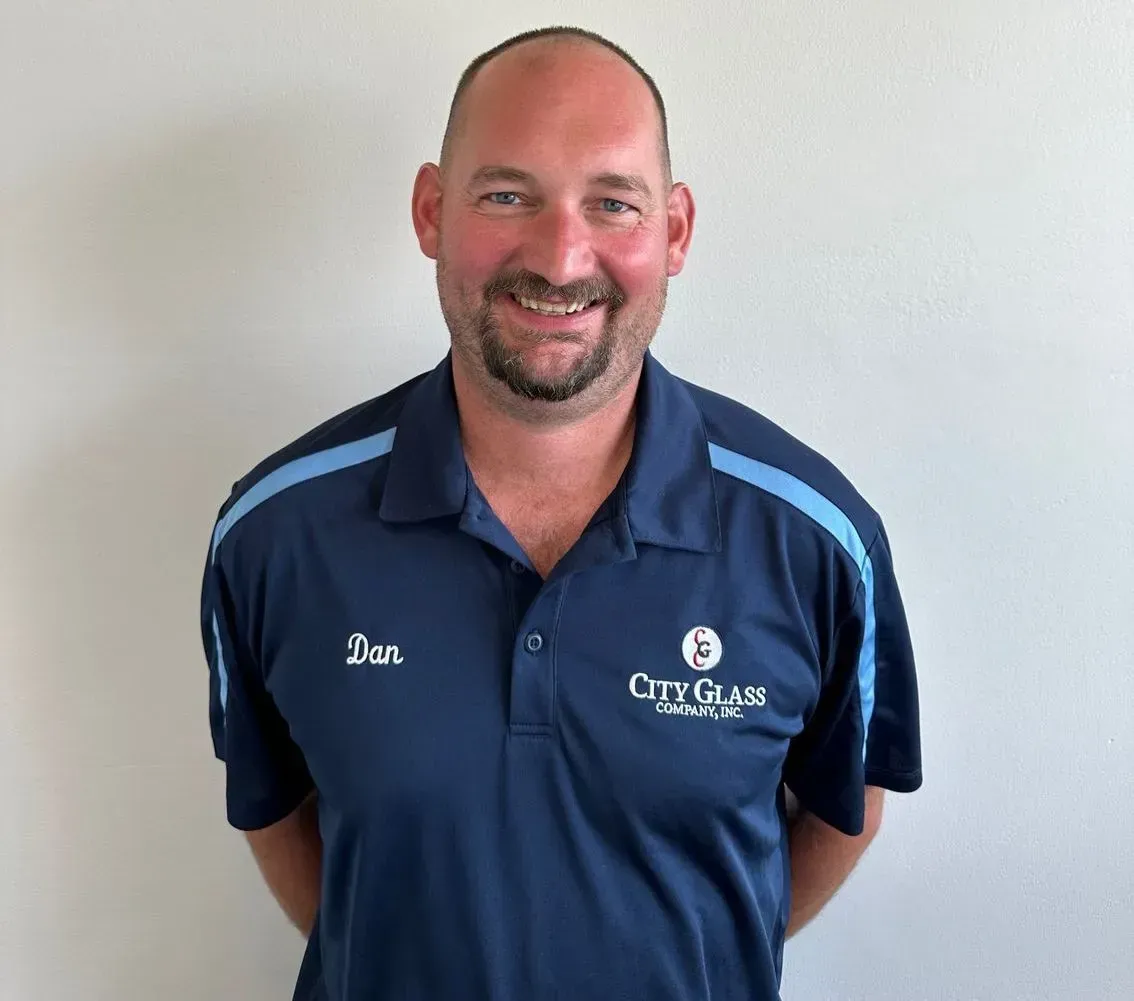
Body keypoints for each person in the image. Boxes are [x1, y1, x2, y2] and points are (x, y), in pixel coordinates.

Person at [199, 25, 922, 1001]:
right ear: (431, 212)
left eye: (612, 203)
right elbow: (274, 811)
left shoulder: (815, 539)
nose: (560, 254)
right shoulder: (275, 533)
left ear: (673, 234)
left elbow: (845, 806)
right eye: (507, 195)